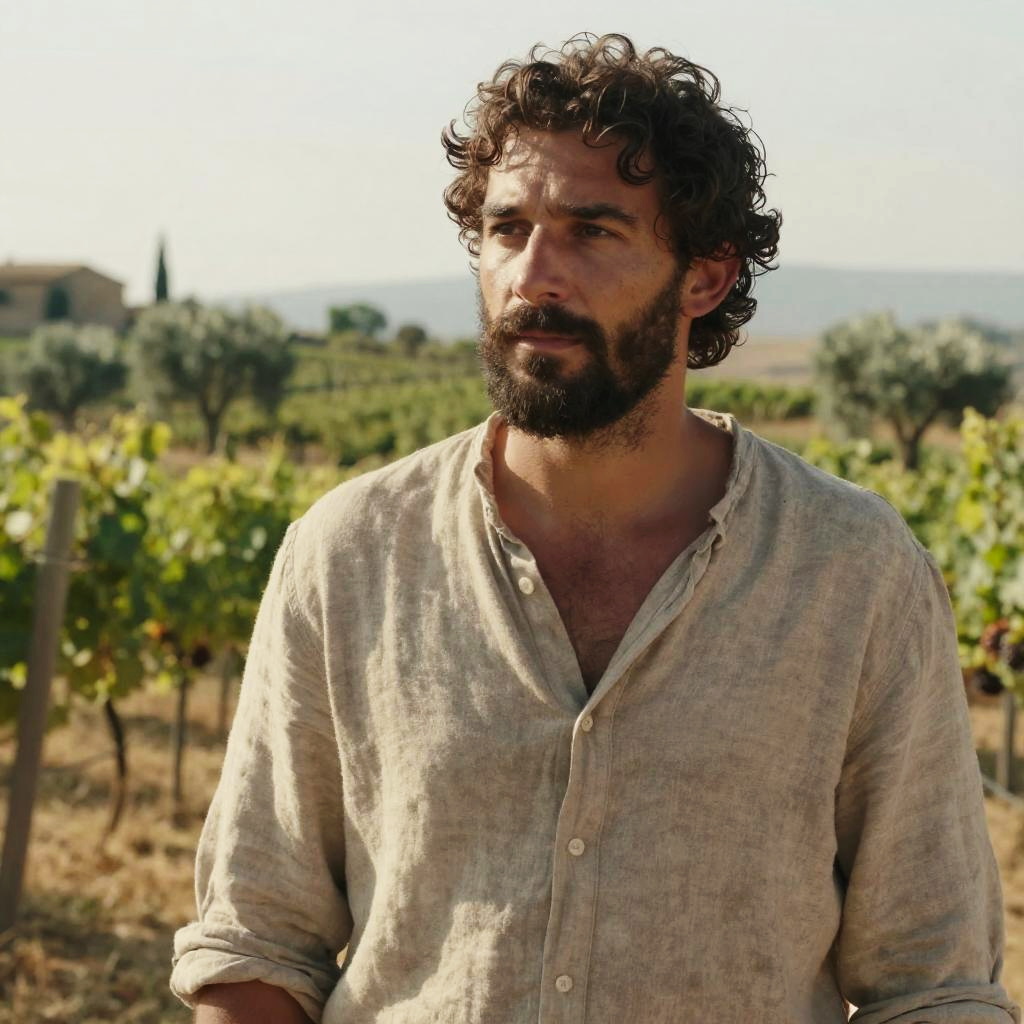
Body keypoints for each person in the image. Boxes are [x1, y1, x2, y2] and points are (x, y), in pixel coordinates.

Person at [171, 33, 1019, 1024]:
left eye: (592, 231)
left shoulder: (852, 571)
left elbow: (932, 982)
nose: (534, 276)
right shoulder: (349, 553)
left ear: (704, 278)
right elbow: (257, 944)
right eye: (507, 229)